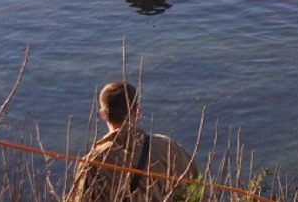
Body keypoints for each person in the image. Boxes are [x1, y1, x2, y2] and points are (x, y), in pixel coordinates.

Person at [67, 81, 201, 202]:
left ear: (103, 114)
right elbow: (197, 189)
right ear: (137, 111)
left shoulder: (91, 163)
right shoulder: (168, 148)